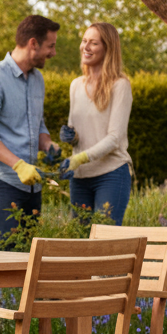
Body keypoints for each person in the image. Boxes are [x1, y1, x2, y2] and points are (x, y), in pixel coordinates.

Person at [0, 15, 62, 242]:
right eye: (50, 46)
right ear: (33, 43)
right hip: (2, 181)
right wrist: (18, 165)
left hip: (32, 185)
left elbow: (38, 124)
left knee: (29, 254)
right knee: (9, 252)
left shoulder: (37, 80)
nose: (53, 53)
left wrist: (48, 145)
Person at [60, 22, 134, 226]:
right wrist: (70, 136)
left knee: (104, 238)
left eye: (93, 43)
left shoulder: (120, 86)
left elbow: (114, 138)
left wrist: (81, 157)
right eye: (84, 41)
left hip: (111, 174)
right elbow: (77, 131)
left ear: (107, 49)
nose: (86, 47)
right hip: (80, 177)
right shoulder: (76, 85)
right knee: (79, 239)